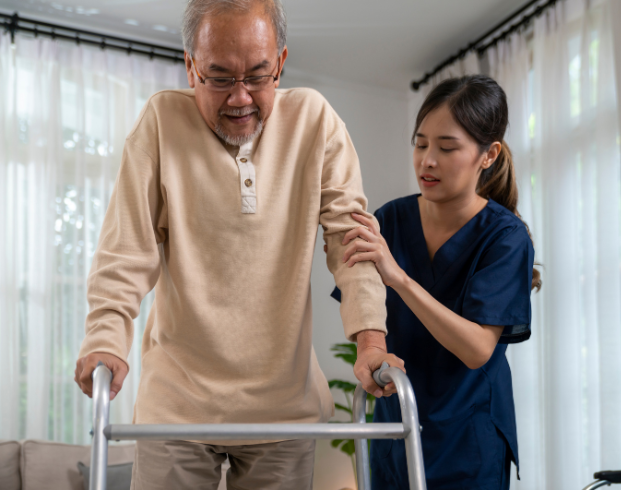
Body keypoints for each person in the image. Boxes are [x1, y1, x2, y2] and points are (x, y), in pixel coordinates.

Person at [73, 0, 402, 488]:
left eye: (257, 76)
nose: (241, 98)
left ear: (281, 63)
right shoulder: (162, 122)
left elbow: (350, 240)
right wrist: (106, 337)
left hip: (283, 409)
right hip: (177, 409)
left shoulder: (315, 121)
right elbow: (126, 248)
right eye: (220, 78)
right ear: (190, 67)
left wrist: (370, 338)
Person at [331, 75, 541, 489]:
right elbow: (361, 302)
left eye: (447, 148)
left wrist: (400, 279)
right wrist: (367, 352)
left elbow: (479, 348)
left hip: (469, 443)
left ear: (488, 155)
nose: (427, 160)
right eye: (420, 143)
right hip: (397, 431)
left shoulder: (504, 237)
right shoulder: (389, 220)